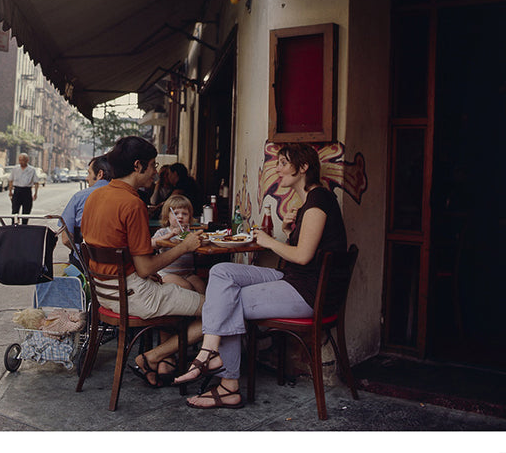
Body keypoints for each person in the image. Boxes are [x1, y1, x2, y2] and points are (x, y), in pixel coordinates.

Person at [173, 142, 347, 410]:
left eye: (283, 163)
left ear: (302, 168)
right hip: (293, 280)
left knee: (229, 299)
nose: (277, 169)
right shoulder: (309, 202)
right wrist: (290, 230)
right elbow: (307, 250)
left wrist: (267, 240)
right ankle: (212, 353)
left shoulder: (318, 201)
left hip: (307, 292)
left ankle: (226, 382)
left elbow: (302, 256)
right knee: (221, 272)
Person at [81, 136, 205, 387]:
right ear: (138, 166)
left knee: (177, 288)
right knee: (219, 309)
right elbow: (145, 266)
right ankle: (152, 356)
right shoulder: (132, 203)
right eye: (153, 165)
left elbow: (110, 248)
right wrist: (185, 246)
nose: (157, 173)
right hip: (134, 296)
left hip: (105, 295)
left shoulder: (94, 196)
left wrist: (144, 271)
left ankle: (160, 358)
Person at [150, 195, 206, 294]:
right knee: (187, 288)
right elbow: (151, 244)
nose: (180, 216)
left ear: (190, 217)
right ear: (168, 216)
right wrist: (168, 236)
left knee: (201, 288)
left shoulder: (190, 234)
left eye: (184, 214)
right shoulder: (163, 232)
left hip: (187, 273)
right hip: (166, 274)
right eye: (176, 213)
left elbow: (197, 255)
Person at [57, 155, 113, 253]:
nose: (87, 178)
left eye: (89, 173)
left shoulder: (79, 197)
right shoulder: (129, 197)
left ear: (100, 174)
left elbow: (66, 239)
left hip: (83, 262)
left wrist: (83, 255)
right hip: (121, 265)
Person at [8, 153, 39, 222]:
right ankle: (14, 228)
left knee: (26, 212)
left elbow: (36, 182)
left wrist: (35, 193)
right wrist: (10, 191)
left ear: (27, 160)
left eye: (23, 160)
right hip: (17, 191)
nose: (21, 162)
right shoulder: (15, 169)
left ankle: (24, 227)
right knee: (15, 211)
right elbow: (10, 180)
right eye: (20, 160)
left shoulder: (31, 170)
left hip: (27, 191)